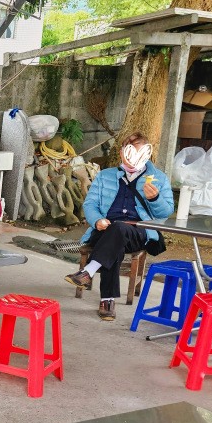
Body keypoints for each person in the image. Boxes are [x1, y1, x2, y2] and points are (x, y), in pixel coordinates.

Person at [64, 132, 174, 321]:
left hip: (137, 232)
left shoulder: (158, 178)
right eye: (128, 152)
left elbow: (165, 213)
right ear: (122, 153)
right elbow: (90, 204)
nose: (132, 158)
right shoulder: (105, 175)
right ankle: (105, 298)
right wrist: (97, 220)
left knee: (119, 230)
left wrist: (154, 199)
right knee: (114, 240)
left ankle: (91, 276)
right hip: (104, 229)